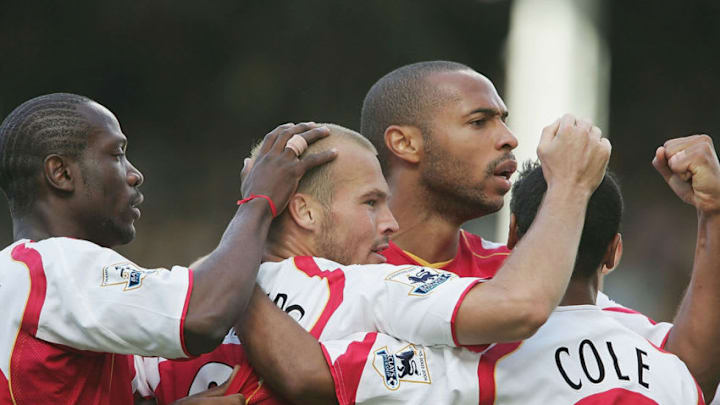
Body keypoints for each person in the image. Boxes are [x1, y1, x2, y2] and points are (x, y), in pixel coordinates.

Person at [136, 118, 610, 404]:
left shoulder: (172, 299)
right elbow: (521, 306)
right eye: (370, 203)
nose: (390, 223)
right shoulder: (374, 287)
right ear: (303, 210)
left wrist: (229, 263)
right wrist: (570, 182)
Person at [360, 60, 720, 398]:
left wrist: (714, 212)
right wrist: (569, 184)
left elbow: (683, 373)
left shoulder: (523, 272)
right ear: (405, 143)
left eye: (504, 120)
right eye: (479, 122)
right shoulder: (336, 270)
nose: (509, 138)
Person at [0, 92, 336, 404]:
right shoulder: (52, 267)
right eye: (117, 154)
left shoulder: (27, 280)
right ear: (60, 173)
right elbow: (202, 318)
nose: (134, 175)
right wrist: (258, 200)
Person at [320, 157, 709, 404]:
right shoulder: (672, 373)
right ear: (614, 252)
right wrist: (713, 211)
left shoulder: (480, 359)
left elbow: (309, 373)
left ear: (512, 237)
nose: (503, 138)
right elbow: (698, 358)